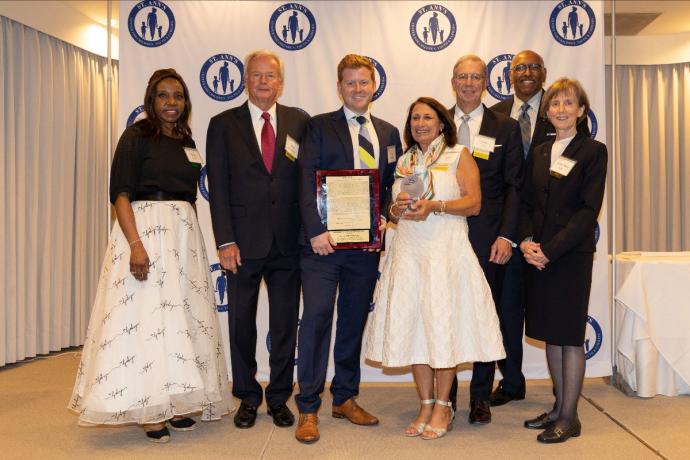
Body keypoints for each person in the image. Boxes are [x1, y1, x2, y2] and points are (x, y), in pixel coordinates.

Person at [68, 68, 232, 443]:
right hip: (146, 233)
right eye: (163, 95)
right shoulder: (136, 135)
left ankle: (171, 402)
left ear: (185, 102)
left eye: (177, 96)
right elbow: (120, 193)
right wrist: (136, 244)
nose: (171, 103)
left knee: (177, 323)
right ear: (151, 99)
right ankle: (148, 410)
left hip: (182, 236)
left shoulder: (186, 139)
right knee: (146, 320)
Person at [365, 97, 505, 440]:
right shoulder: (404, 162)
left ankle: (444, 404)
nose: (421, 123)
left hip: (445, 252)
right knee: (415, 329)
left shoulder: (459, 155)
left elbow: (474, 204)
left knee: (443, 327)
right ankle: (425, 403)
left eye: (428, 117)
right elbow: (394, 212)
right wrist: (396, 209)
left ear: (442, 123)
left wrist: (436, 206)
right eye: (415, 118)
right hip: (410, 253)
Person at [294, 54, 403, 444]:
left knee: (354, 320)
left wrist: (386, 216)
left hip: (365, 246)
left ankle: (344, 397)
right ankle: (308, 407)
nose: (358, 89)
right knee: (318, 318)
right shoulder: (319, 127)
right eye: (350, 83)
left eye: (364, 82)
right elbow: (305, 180)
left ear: (374, 86)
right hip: (323, 246)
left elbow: (391, 186)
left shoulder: (389, 133)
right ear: (339, 87)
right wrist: (316, 231)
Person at [206, 50, 309, 430]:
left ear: (280, 82)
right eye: (256, 75)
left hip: (287, 243)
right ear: (245, 80)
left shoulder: (300, 121)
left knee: (285, 325)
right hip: (242, 245)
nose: (264, 82)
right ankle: (248, 397)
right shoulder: (222, 124)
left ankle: (279, 397)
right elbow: (218, 188)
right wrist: (225, 240)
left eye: (271, 76)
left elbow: (308, 180)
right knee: (242, 324)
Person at [490, 50, 590, 407]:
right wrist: (518, 234)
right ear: (509, 76)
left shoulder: (562, 117)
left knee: (555, 320)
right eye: (519, 68)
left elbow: (579, 194)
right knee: (507, 309)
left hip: (553, 241)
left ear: (543, 72)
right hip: (508, 231)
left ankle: (564, 400)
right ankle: (512, 381)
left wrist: (545, 243)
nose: (526, 73)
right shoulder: (496, 115)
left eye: (532, 67)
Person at [519, 78, 606, 443]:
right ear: (547, 110)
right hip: (537, 256)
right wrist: (526, 243)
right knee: (551, 334)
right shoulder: (540, 151)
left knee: (569, 337)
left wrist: (550, 250)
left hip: (569, 257)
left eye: (569, 103)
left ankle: (569, 418)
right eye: (555, 103)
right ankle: (557, 408)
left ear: (582, 111)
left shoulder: (592, 150)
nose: (561, 109)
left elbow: (588, 211)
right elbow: (525, 203)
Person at [446, 54, 524, 425]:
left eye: (476, 77)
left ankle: (480, 396)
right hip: (440, 236)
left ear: (486, 83)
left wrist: (507, 235)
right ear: (453, 81)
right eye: (463, 76)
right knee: (442, 314)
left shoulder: (505, 128)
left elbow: (514, 186)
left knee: (482, 315)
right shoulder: (435, 121)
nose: (469, 83)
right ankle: (445, 397)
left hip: (488, 236)